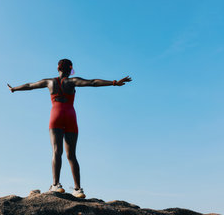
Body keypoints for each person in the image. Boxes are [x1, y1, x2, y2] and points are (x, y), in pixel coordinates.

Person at [7, 59, 131, 198]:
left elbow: (30, 85)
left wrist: (14, 89)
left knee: (56, 151)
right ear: (70, 69)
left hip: (56, 116)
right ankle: (78, 189)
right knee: (71, 155)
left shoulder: (49, 82)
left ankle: (56, 185)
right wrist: (114, 82)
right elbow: (92, 82)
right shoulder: (72, 81)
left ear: (58, 68)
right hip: (70, 116)